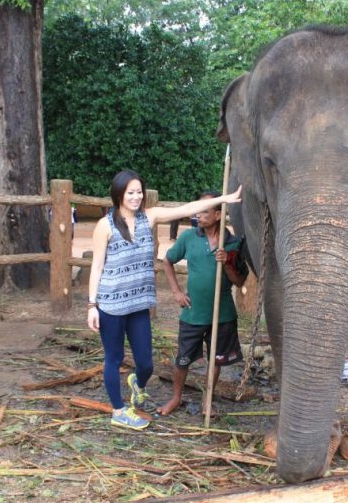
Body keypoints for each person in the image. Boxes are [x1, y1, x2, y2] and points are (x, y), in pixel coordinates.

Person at [87, 170, 241, 430]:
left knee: (146, 363)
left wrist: (224, 198)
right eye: (130, 193)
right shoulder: (106, 225)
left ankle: (137, 383)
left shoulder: (150, 217)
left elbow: (188, 207)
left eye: (139, 192)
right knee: (113, 358)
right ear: (119, 195)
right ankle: (119, 410)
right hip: (111, 305)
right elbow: (96, 267)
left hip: (139, 304)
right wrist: (92, 305)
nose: (136, 197)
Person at [158, 191, 248, 416]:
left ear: (218, 214)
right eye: (197, 209)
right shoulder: (189, 237)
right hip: (193, 312)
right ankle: (176, 398)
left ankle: (207, 401)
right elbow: (167, 261)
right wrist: (177, 292)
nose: (198, 214)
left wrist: (226, 263)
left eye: (204, 211)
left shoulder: (232, 243)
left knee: (215, 359)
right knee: (183, 359)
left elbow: (239, 280)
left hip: (222, 313)